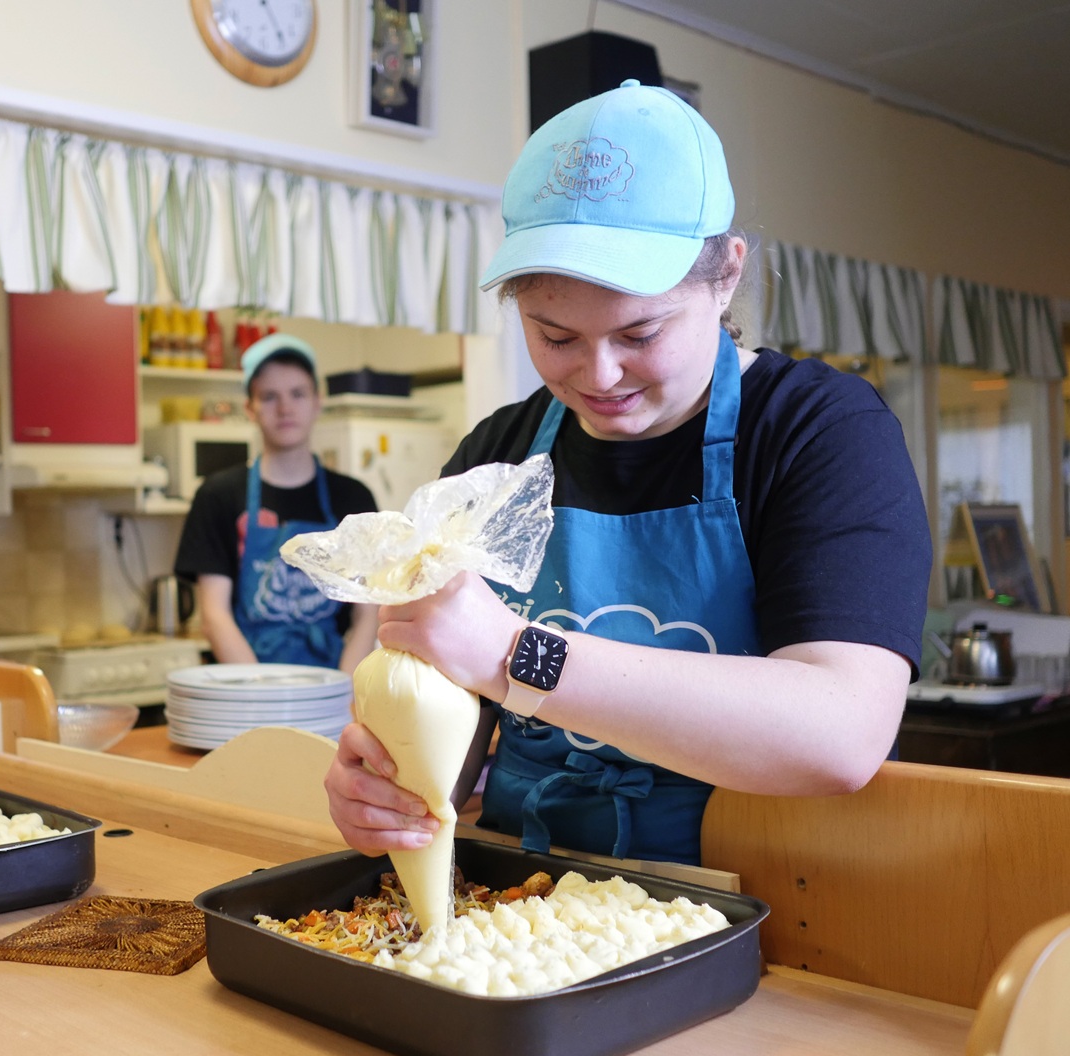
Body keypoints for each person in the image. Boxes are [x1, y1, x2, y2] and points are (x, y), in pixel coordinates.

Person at [324, 80, 933, 865]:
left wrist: (517, 654)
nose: (600, 375)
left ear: (727, 277)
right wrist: (388, 787)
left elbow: (841, 730)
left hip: (767, 916)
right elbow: (449, 719)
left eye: (640, 332)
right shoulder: (496, 457)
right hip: (524, 904)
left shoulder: (819, 431)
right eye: (555, 336)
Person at [175, 333, 379, 674]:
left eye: (297, 394)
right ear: (249, 408)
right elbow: (214, 615)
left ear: (317, 401)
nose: (285, 408)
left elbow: (367, 612)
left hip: (334, 681)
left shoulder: (354, 498)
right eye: (269, 396)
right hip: (248, 683)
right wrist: (262, 693)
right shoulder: (217, 496)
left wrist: (343, 692)